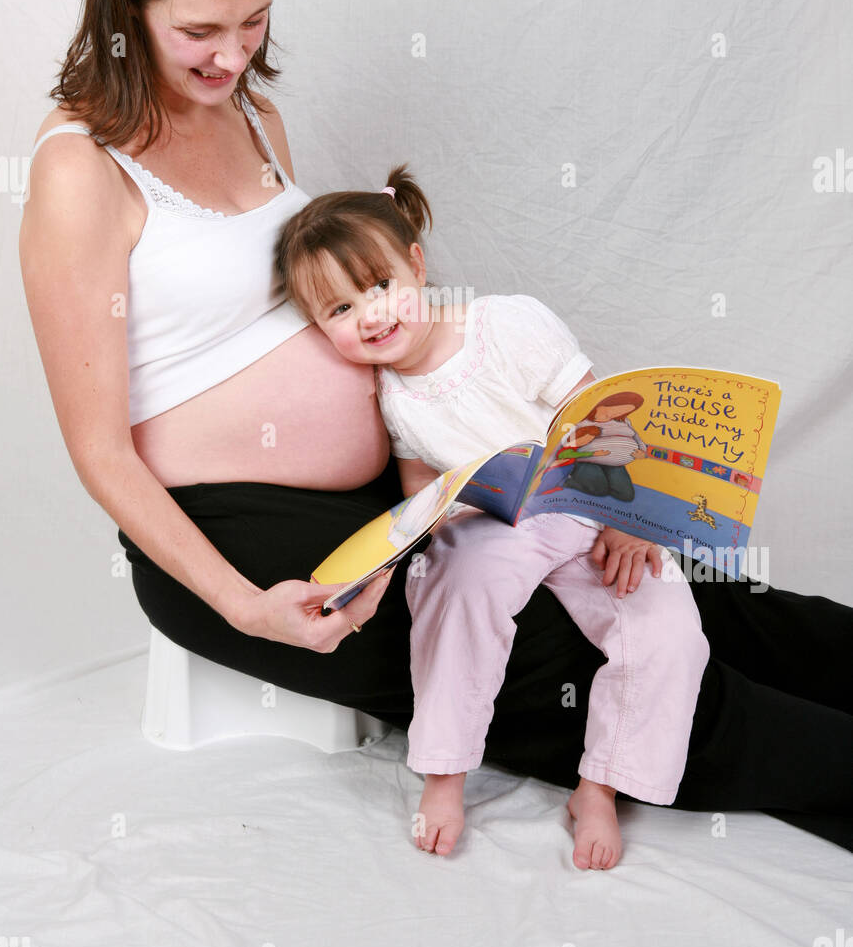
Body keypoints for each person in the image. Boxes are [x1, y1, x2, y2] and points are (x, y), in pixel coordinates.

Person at [18, 0, 853, 866]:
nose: (231, 56)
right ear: (124, 8)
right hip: (229, 529)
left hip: (405, 482)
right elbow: (100, 450)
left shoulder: (254, 117)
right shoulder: (79, 172)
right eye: (198, 30)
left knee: (652, 580)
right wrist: (242, 605)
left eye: (253, 22)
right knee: (555, 658)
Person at [274, 168, 712, 866]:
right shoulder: (393, 399)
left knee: (670, 632)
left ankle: (600, 785)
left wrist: (634, 519)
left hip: (588, 504)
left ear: (416, 266)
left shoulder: (506, 325)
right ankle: (446, 772)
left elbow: (604, 418)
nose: (371, 315)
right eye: (339, 311)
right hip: (497, 526)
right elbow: (426, 488)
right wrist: (418, 544)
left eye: (380, 285)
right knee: (454, 585)